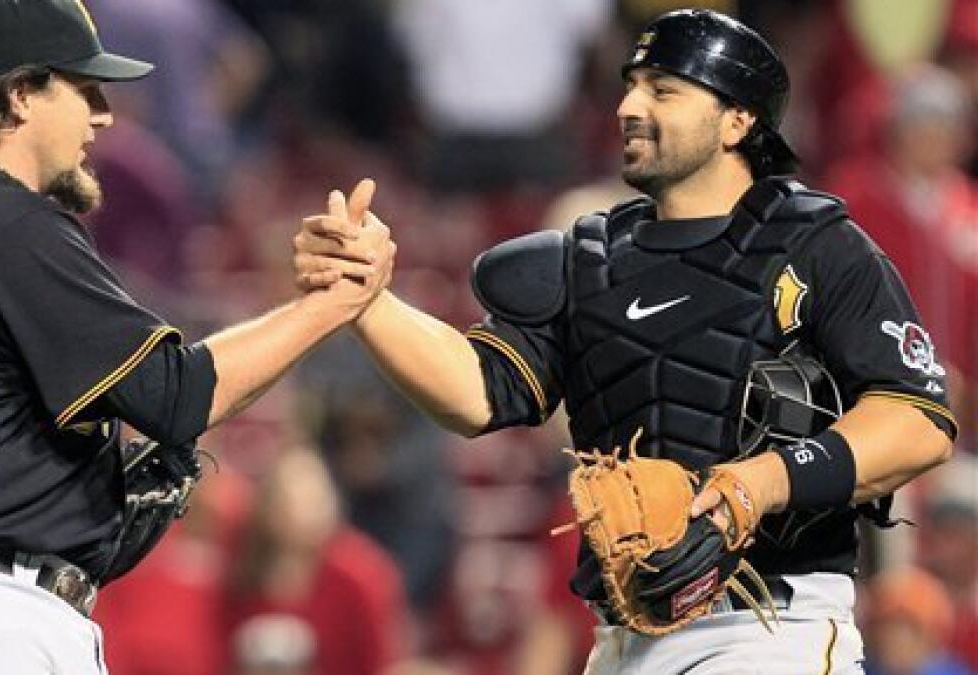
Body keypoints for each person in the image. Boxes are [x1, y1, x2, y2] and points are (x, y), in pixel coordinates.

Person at [294, 9, 957, 673]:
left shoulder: (817, 246)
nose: (629, 106)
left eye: (663, 90)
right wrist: (369, 302)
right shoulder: (590, 258)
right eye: (631, 84)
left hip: (768, 625)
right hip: (623, 637)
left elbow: (918, 418)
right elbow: (476, 392)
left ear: (738, 120)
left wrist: (761, 482)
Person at [0, 1, 393, 673]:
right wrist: (329, 304)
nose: (103, 114)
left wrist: (66, 497)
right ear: (20, 94)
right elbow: (173, 394)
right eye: (83, 88)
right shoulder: (3, 219)